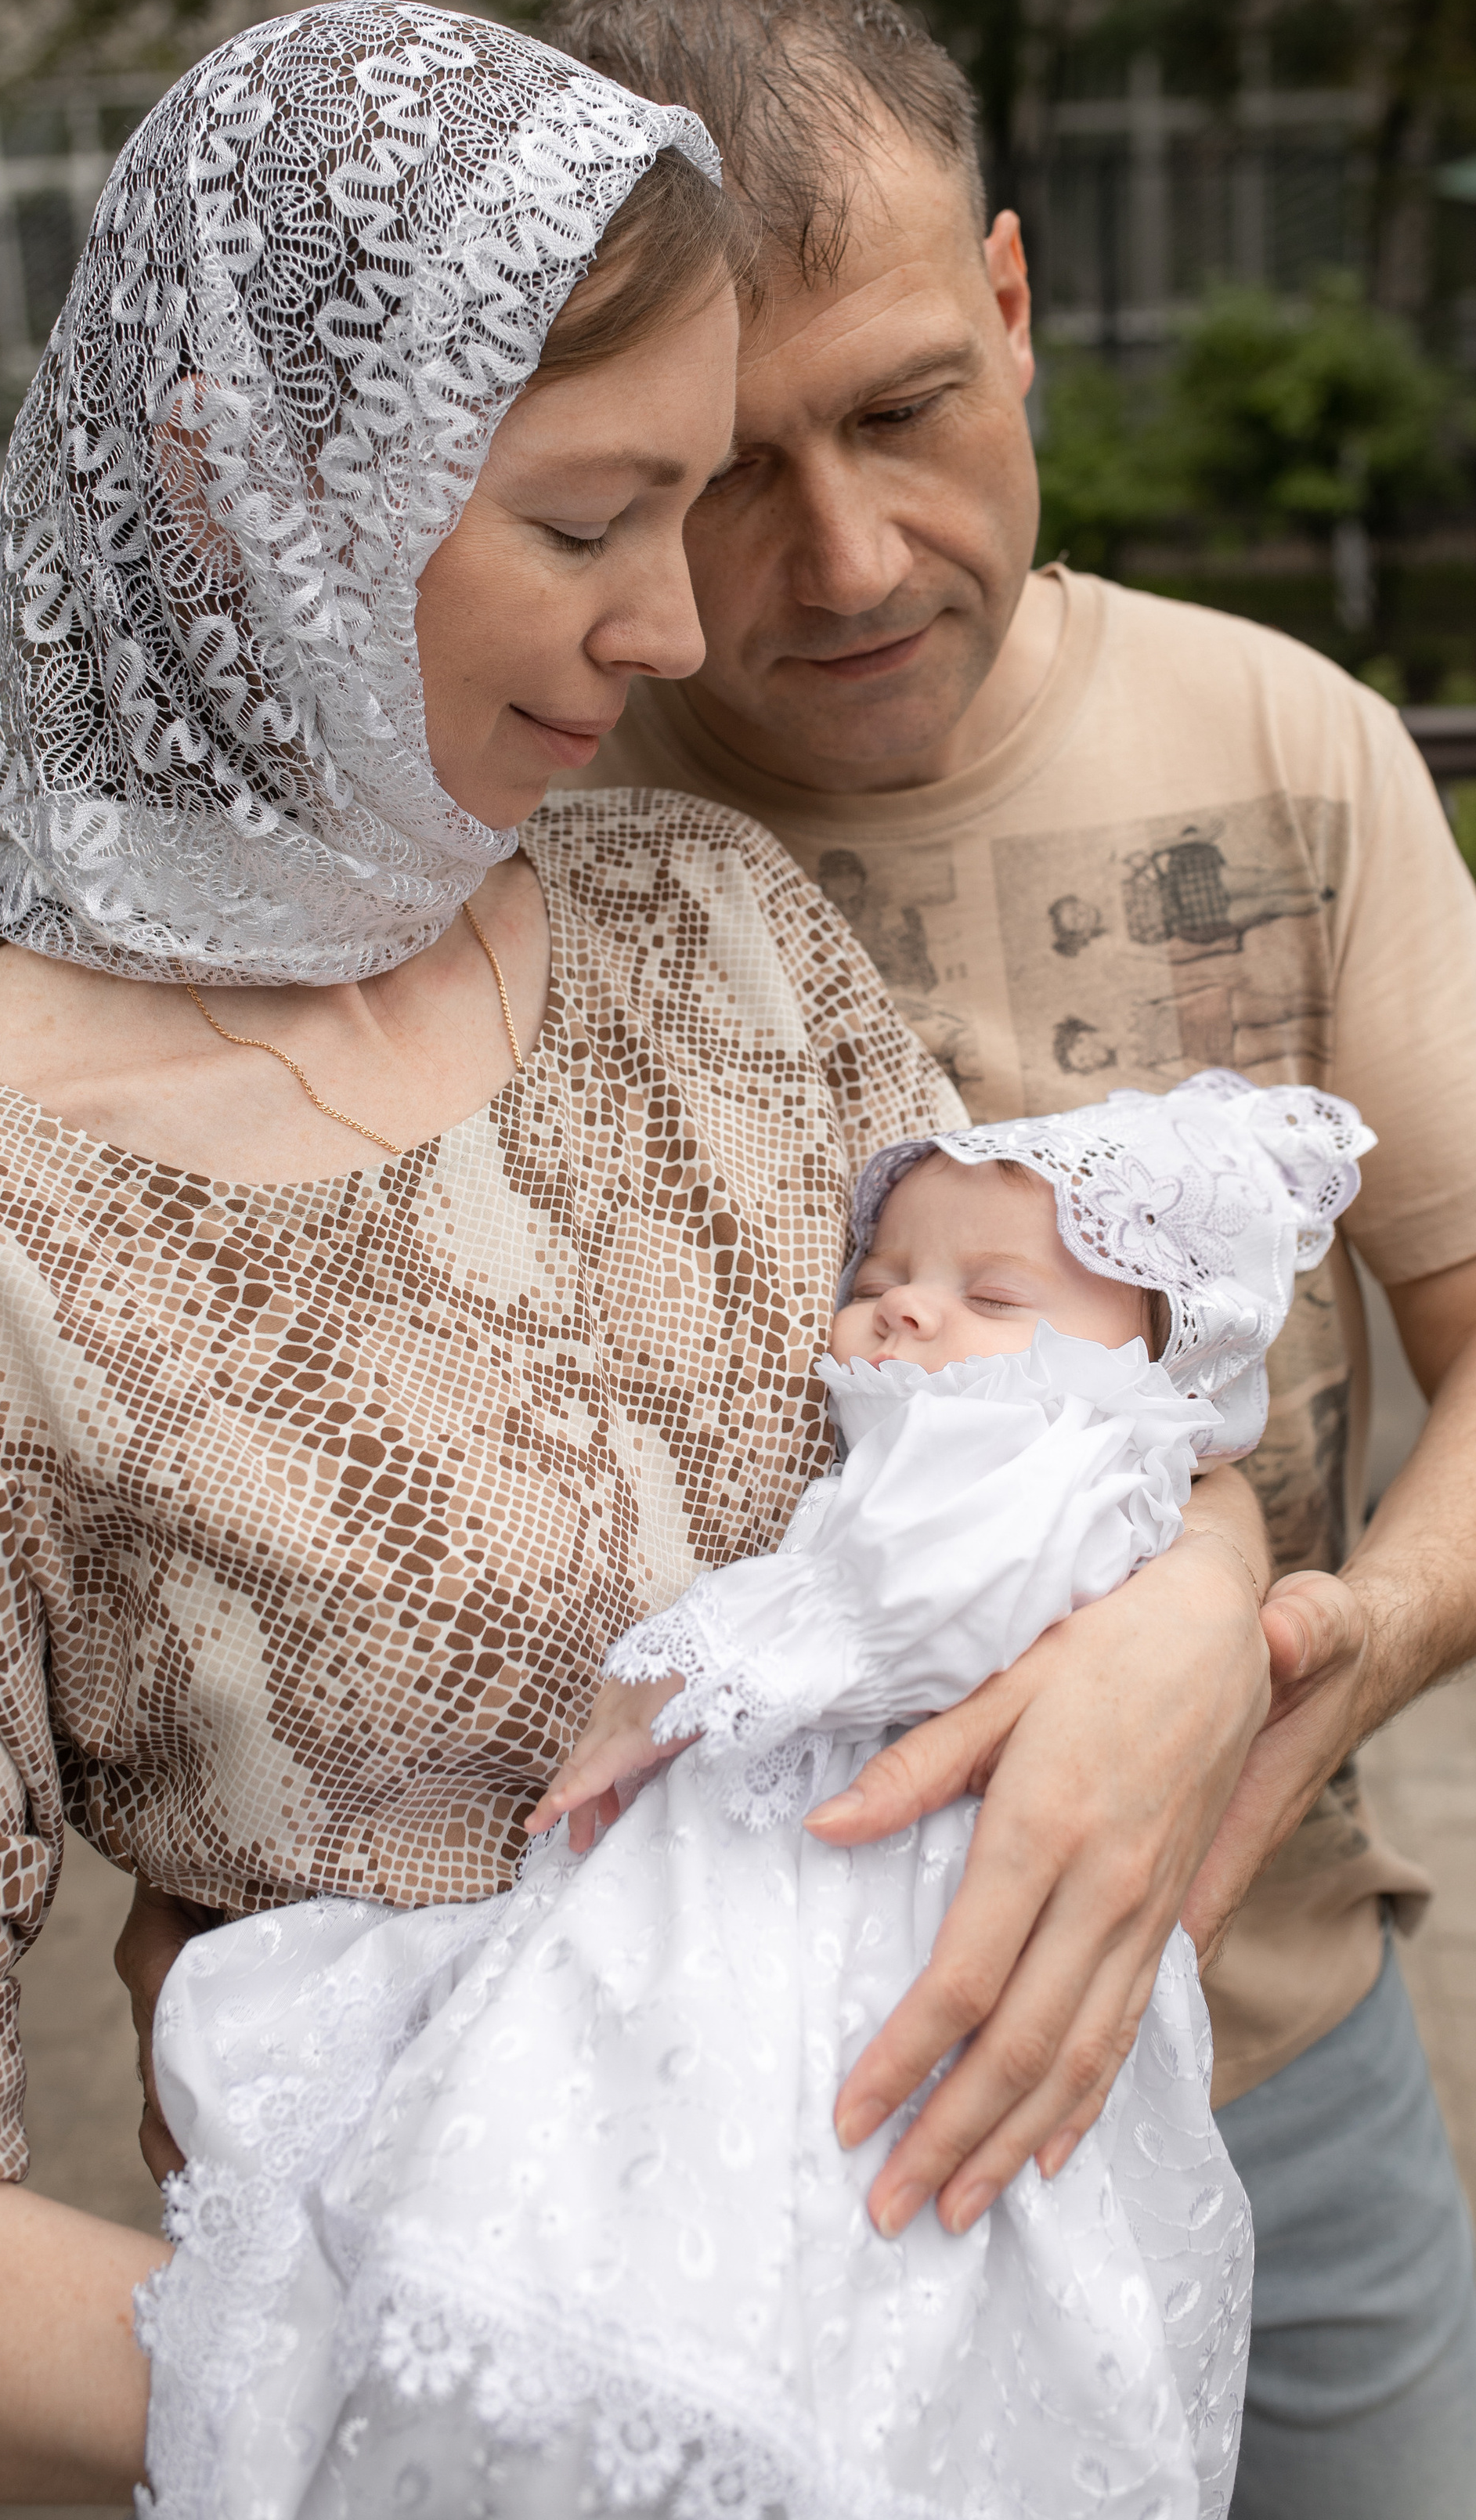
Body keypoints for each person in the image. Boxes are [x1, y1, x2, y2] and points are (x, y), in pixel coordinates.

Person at [0, 0, 1009, 2500]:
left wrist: (1199, 1647)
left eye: (681, 513)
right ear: (234, 488)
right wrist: (520, 2413)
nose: (677, 628)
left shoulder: (706, 926)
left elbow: (1071, 1389)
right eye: (586, 523)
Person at [515, 0, 1476, 2520]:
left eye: (910, 406)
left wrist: (1334, 1642)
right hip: (752, 2158)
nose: (842, 555)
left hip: (1275, 2054)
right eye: (724, 467)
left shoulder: (1286, 743)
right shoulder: (529, 852)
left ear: (1015, 307)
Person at [139, 1070, 1360, 2520]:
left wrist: (682, 1672)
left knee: (743, 2090)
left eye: (994, 1293)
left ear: (1153, 1358)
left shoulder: (1052, 1452)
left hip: (889, 1880)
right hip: (872, 1856)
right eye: (887, 1274)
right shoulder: (1005, 1432)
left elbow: (916, 1595)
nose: (907, 1310)